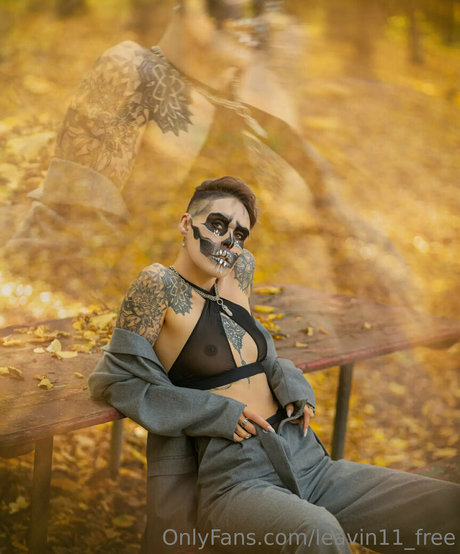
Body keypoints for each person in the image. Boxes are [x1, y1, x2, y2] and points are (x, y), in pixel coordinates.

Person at [88, 176, 459, 554]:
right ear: (186, 223)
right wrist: (217, 412)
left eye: (239, 234)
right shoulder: (158, 284)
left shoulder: (239, 272)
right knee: (318, 533)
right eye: (217, 225)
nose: (228, 242)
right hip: (236, 477)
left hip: (303, 453)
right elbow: (116, 380)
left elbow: (259, 356)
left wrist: (292, 385)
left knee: (446, 505)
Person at [4, 0, 415, 308]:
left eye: (264, 9)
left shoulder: (255, 113)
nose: (255, 22)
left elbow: (327, 221)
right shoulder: (134, 70)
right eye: (239, 8)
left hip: (235, 338)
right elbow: (66, 247)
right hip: (133, 337)